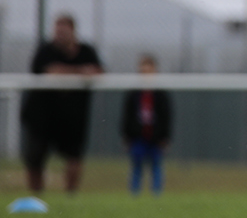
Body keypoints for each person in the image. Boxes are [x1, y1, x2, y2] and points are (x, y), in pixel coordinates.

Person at [22, 13, 105, 193]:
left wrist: (74, 72)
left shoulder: (86, 51)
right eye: (57, 31)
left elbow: (98, 72)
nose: (59, 35)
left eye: (64, 31)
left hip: (73, 117)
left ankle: (70, 196)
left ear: (73, 31)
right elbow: (50, 71)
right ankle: (36, 195)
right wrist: (80, 72)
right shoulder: (45, 51)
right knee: (35, 157)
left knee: (74, 156)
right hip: (42, 117)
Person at [120, 54, 172, 195]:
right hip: (138, 137)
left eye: (149, 72)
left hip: (156, 138)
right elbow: (127, 116)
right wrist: (127, 136)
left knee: (156, 167)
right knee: (136, 167)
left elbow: (166, 117)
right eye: (143, 72)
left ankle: (157, 196)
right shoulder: (133, 94)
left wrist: (165, 137)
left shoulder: (161, 95)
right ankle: (134, 195)